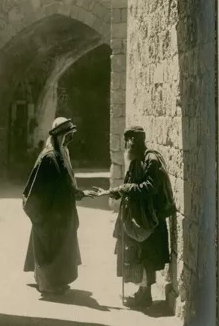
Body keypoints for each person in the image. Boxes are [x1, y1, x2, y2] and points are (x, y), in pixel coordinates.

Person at [98, 126, 175, 309]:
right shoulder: (137, 160)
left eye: (129, 142)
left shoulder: (151, 160)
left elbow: (149, 187)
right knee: (139, 255)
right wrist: (116, 191)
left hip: (150, 218)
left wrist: (125, 189)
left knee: (147, 256)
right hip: (140, 217)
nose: (127, 146)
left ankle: (145, 296)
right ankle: (141, 292)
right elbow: (130, 183)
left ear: (136, 141)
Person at [22, 117, 96, 295]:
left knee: (61, 247)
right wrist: (42, 214)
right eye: (68, 136)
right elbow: (38, 188)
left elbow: (66, 183)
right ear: (59, 136)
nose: (70, 140)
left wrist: (78, 193)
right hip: (50, 212)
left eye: (71, 136)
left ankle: (57, 281)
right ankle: (48, 284)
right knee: (50, 247)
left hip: (62, 212)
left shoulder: (63, 154)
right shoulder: (48, 157)